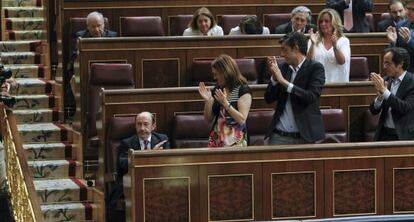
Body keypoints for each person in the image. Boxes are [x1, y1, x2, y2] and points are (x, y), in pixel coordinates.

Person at [264, 32, 325, 145]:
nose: (281, 54)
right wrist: (274, 79)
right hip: (279, 135)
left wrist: (283, 82)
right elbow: (268, 98)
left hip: (305, 136)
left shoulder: (315, 68)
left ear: (296, 48)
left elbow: (311, 97)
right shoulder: (282, 68)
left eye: (285, 50)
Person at [109, 112, 170, 211]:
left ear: (153, 126)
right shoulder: (127, 143)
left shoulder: (162, 140)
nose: (142, 128)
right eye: (139, 124)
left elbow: (168, 163)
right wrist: (149, 154)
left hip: (157, 181)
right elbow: (123, 164)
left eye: (146, 124)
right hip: (133, 183)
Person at [198, 54, 252, 147]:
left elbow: (242, 119)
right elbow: (208, 118)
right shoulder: (217, 89)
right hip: (217, 140)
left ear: (225, 72)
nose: (214, 78)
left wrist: (226, 104)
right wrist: (208, 102)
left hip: (236, 141)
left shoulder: (242, 90)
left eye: (216, 74)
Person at [369, 47, 414, 141]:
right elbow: (373, 110)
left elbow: (404, 107)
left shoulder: (412, 82)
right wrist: (380, 97)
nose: (384, 67)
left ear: (400, 64)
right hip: (384, 134)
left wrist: (385, 92)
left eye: (388, 63)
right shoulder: (386, 80)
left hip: (403, 135)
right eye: (384, 63)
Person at [308, 8, 351, 83]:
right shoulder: (313, 39)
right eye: (321, 21)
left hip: (337, 85)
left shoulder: (343, 41)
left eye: (326, 21)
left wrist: (335, 47)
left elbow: (342, 61)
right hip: (317, 85)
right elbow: (308, 61)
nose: (323, 24)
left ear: (334, 22)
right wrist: (312, 44)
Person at [386, 0, 414, 73]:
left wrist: (409, 41)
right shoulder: (401, 25)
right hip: (404, 73)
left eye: (413, 9)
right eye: (408, 8)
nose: (408, 12)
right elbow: (396, 55)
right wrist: (393, 42)